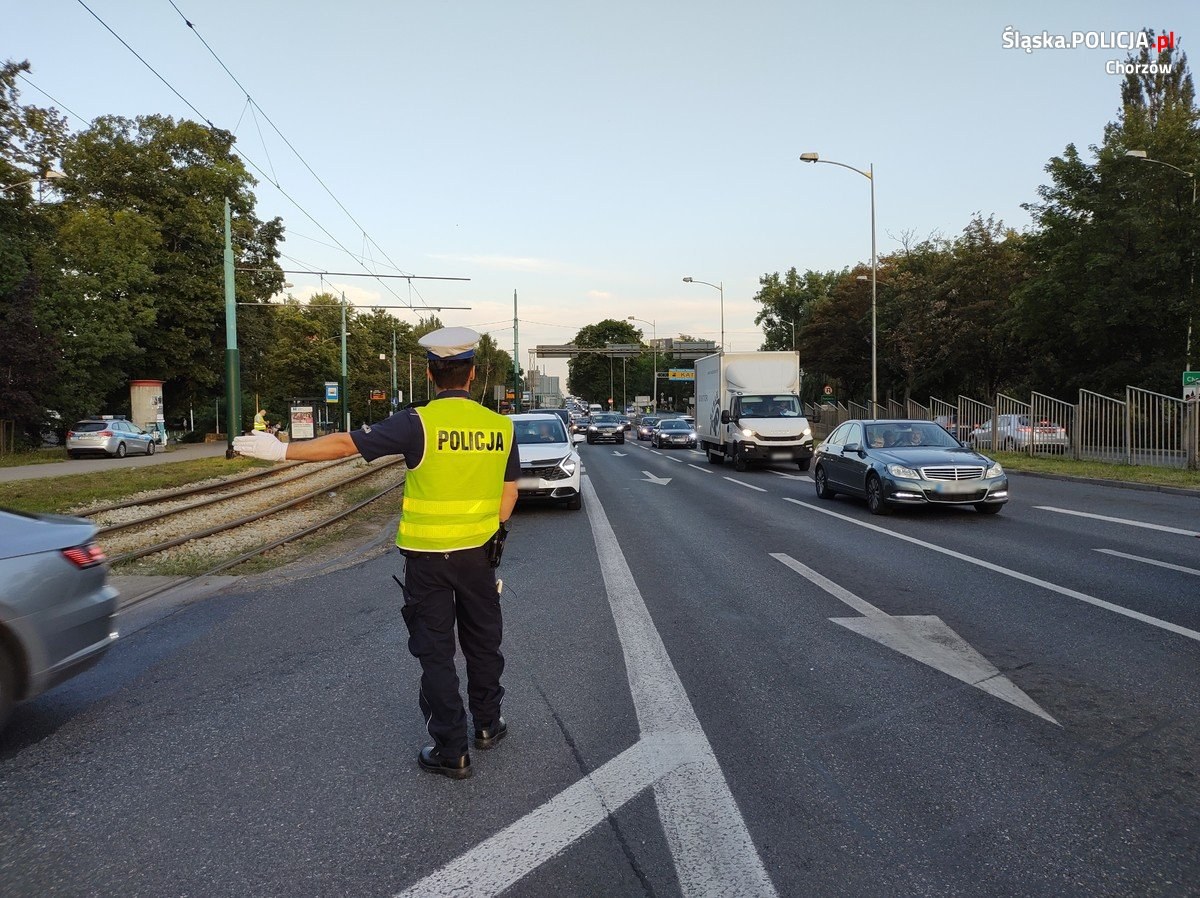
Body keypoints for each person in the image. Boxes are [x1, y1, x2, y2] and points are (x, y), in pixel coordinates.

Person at [233, 327, 519, 780]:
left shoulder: (416, 423)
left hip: (428, 560)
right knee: (483, 643)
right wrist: (490, 530)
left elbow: (347, 444)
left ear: (430, 373)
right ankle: (487, 724)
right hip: (481, 556)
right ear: (473, 374)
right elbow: (508, 495)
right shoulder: (500, 427)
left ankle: (452, 750)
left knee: (437, 653)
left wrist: (282, 449)